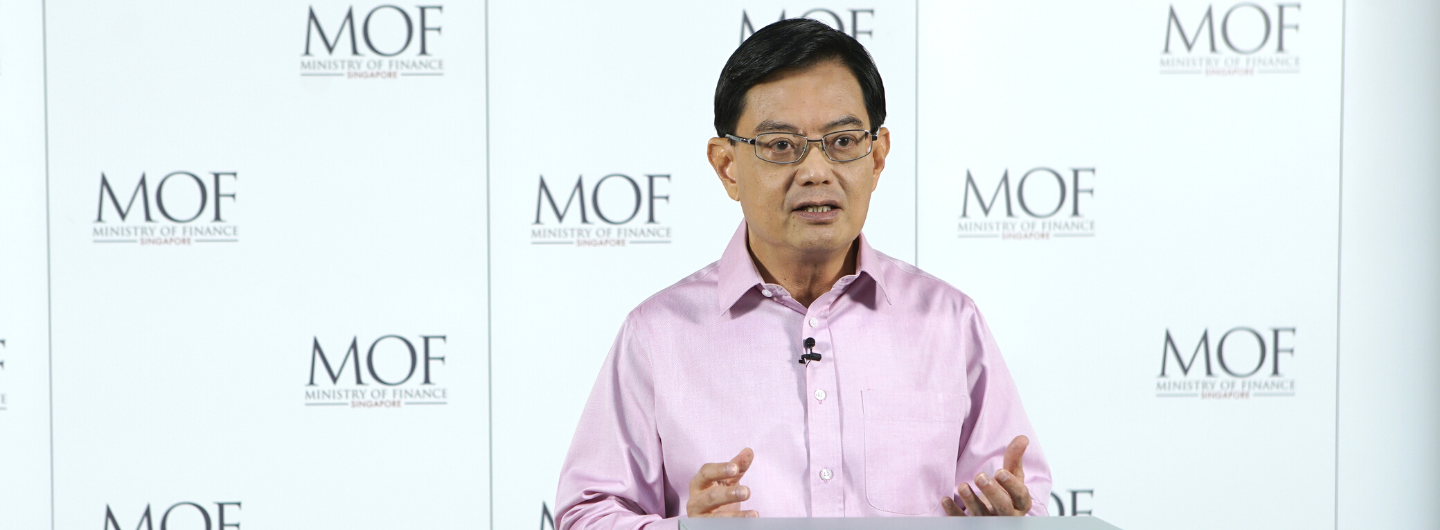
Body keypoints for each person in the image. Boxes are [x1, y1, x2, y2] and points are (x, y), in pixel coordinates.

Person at [554, 19, 1050, 529]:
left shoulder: (948, 322)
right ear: (727, 166)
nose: (816, 171)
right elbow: (585, 514)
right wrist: (684, 529)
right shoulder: (657, 335)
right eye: (781, 146)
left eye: (841, 141)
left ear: (877, 157)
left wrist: (1010, 518)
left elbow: (1026, 499)